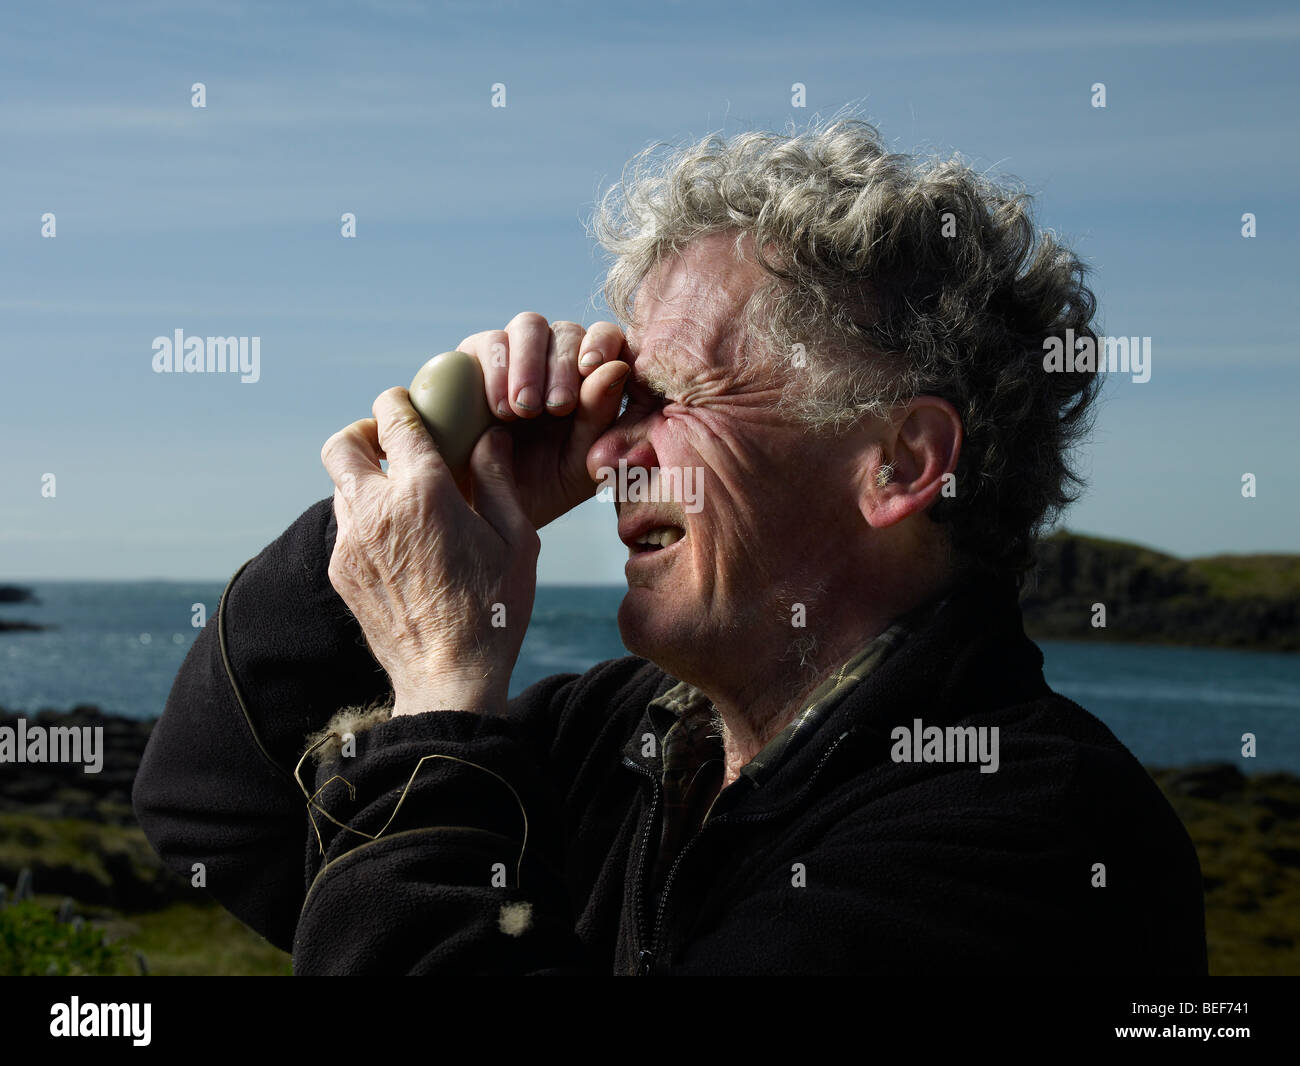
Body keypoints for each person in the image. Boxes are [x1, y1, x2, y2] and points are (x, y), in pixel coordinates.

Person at [133, 118, 1208, 975]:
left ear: (901, 464)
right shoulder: (616, 742)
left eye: (679, 395)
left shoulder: (1027, 839)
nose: (607, 454)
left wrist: (441, 688)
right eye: (624, 397)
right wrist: (442, 474)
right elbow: (211, 803)